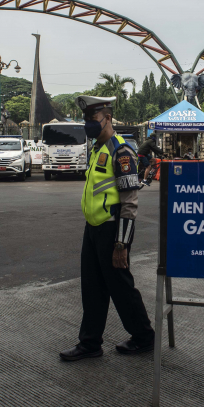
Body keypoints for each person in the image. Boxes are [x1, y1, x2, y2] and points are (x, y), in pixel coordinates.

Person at [60, 95, 154, 362]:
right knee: (92, 288)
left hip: (113, 230)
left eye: (93, 119)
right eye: (86, 119)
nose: (89, 124)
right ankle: (90, 343)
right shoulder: (96, 148)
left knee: (121, 287)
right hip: (93, 228)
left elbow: (129, 201)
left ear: (107, 118)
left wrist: (121, 244)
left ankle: (145, 337)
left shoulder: (120, 151)